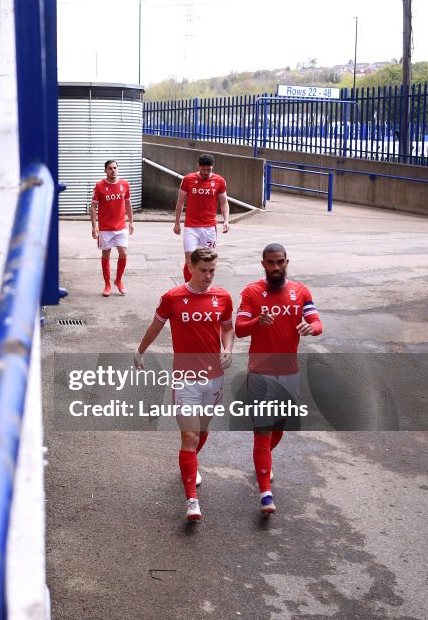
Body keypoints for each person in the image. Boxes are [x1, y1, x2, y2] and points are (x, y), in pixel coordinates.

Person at [133, 247, 234, 522]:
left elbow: (227, 327)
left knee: (201, 432)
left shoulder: (223, 297)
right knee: (189, 437)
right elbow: (155, 326)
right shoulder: (173, 298)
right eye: (203, 270)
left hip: (214, 378)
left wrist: (228, 348)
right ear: (190, 267)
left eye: (212, 271)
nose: (208, 276)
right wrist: (140, 351)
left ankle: (189, 464)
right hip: (185, 379)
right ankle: (192, 501)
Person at [235, 243, 322, 515]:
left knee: (279, 427)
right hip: (260, 372)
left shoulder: (301, 292)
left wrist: (312, 327)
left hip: (289, 372)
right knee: (263, 432)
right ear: (263, 263)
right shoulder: (251, 292)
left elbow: (316, 322)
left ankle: (264, 459)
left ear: (287, 262)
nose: (276, 267)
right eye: (271, 263)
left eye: (280, 262)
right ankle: (265, 494)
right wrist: (256, 323)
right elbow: (239, 329)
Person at [173, 153, 230, 283]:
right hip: (191, 227)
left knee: (208, 260)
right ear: (199, 167)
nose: (206, 172)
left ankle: (205, 286)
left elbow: (224, 202)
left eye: (208, 169)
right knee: (190, 260)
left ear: (212, 167)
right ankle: (188, 287)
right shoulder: (188, 179)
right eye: (203, 169)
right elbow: (180, 201)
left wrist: (226, 220)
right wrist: (177, 223)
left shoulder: (219, 181)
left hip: (209, 227)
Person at [90, 159, 134, 297]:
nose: (113, 170)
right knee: (106, 255)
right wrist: (94, 226)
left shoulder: (124, 184)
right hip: (105, 228)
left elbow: (128, 204)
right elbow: (93, 206)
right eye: (110, 168)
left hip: (121, 226)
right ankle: (107, 284)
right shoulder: (99, 186)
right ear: (105, 170)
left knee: (124, 253)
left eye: (115, 168)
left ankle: (118, 281)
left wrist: (131, 222)